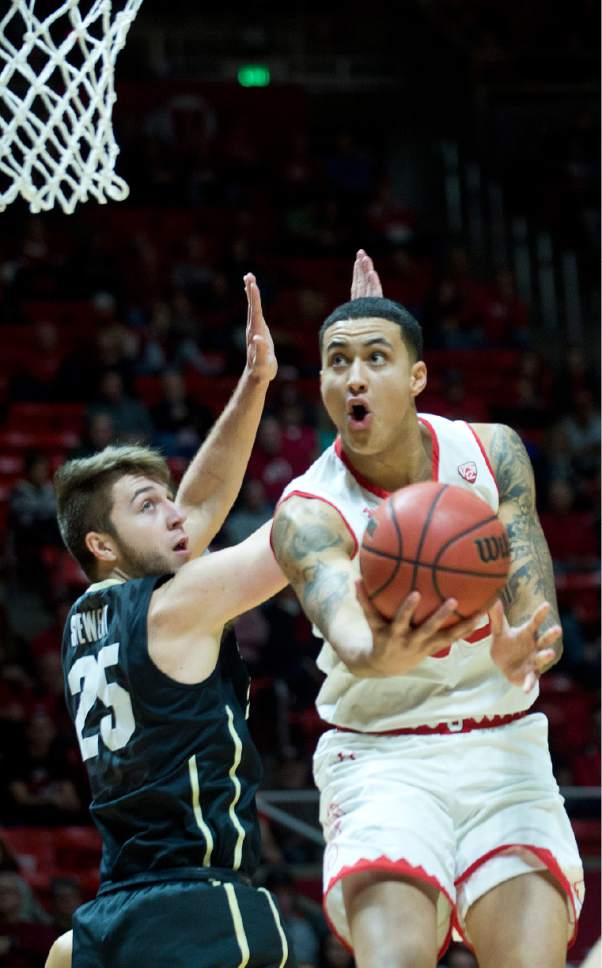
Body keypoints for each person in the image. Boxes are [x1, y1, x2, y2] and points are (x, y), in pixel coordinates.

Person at [270, 250, 584, 968]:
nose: (353, 376)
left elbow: (537, 612)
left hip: (502, 748)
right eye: (336, 361)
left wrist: (529, 647)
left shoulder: (490, 453)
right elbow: (354, 643)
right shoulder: (307, 513)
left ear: (416, 376)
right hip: (382, 756)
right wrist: (391, 650)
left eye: (375, 358)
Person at [45, 275, 296, 968]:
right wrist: (373, 414)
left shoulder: (86, 618)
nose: (175, 514)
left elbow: (198, 510)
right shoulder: (173, 607)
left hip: (112, 909)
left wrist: (254, 382)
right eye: (148, 505)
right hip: (194, 908)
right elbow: (296, 534)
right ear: (102, 544)